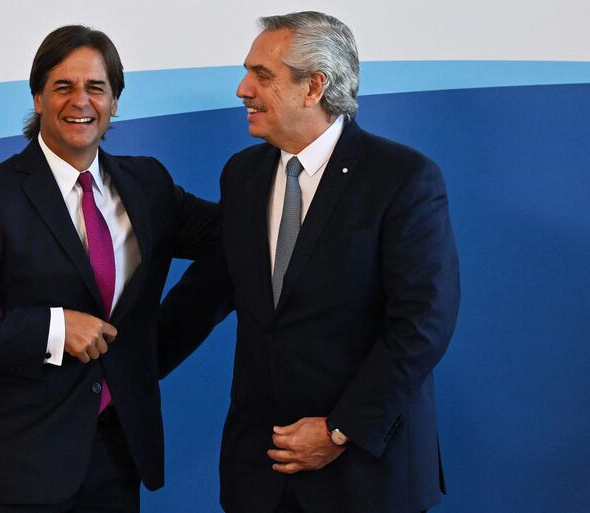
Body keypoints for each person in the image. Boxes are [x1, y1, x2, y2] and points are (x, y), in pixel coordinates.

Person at [158, 11, 460, 513]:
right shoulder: (243, 176)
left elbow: (423, 323)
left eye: (262, 75)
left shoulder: (402, 178)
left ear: (314, 86)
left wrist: (340, 430)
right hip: (260, 474)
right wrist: (119, 375)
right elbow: (207, 293)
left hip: (365, 472)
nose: (242, 89)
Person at [0, 25, 217, 513]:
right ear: (38, 97)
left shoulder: (149, 185)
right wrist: (55, 328)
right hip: (17, 471)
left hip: (118, 463)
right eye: (64, 86)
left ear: (114, 102)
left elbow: (234, 237)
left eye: (96, 87)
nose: (81, 101)